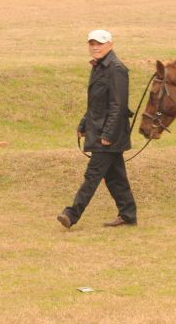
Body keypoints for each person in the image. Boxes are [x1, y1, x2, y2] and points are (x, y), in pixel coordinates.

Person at [58, 30, 138, 229]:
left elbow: (118, 106)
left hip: (109, 135)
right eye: (92, 43)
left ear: (110, 44)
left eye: (100, 43)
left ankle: (71, 214)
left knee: (92, 176)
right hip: (100, 131)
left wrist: (108, 135)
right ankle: (128, 215)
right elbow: (96, 104)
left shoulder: (116, 69)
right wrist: (84, 124)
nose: (95, 47)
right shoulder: (99, 67)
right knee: (115, 177)